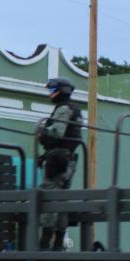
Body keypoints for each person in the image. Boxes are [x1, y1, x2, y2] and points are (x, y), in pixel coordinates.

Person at [37, 78, 83, 250]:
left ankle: (45, 242)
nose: (50, 94)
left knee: (50, 199)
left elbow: (56, 132)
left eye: (52, 90)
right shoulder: (75, 109)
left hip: (58, 160)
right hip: (67, 160)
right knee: (62, 200)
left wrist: (41, 133)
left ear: (61, 91)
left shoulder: (64, 109)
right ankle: (58, 241)